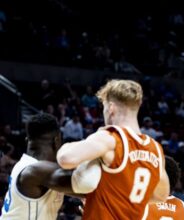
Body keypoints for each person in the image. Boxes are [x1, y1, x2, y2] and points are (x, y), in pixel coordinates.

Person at [57, 79, 170, 219]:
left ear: (111, 108)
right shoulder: (156, 149)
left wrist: (65, 146)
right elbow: (161, 195)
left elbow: (66, 159)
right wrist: (117, 199)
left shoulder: (110, 138)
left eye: (103, 108)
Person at [0, 113, 100, 219]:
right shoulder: (36, 171)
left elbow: (86, 193)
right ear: (56, 141)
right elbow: (88, 185)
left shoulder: (27, 167)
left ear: (27, 140)